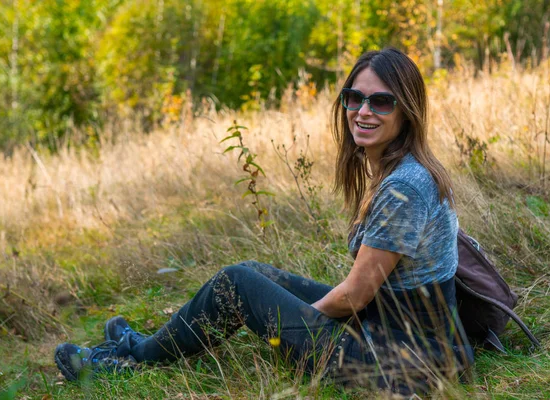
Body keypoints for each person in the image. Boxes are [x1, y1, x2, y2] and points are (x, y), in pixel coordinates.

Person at [54, 47, 473, 394]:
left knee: (238, 284)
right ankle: (142, 346)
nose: (363, 111)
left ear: (407, 110)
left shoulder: (405, 186)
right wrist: (288, 313)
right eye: (354, 97)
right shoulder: (397, 171)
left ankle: (131, 360)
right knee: (253, 275)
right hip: (392, 333)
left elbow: (356, 296)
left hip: (408, 364)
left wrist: (295, 320)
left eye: (381, 101)